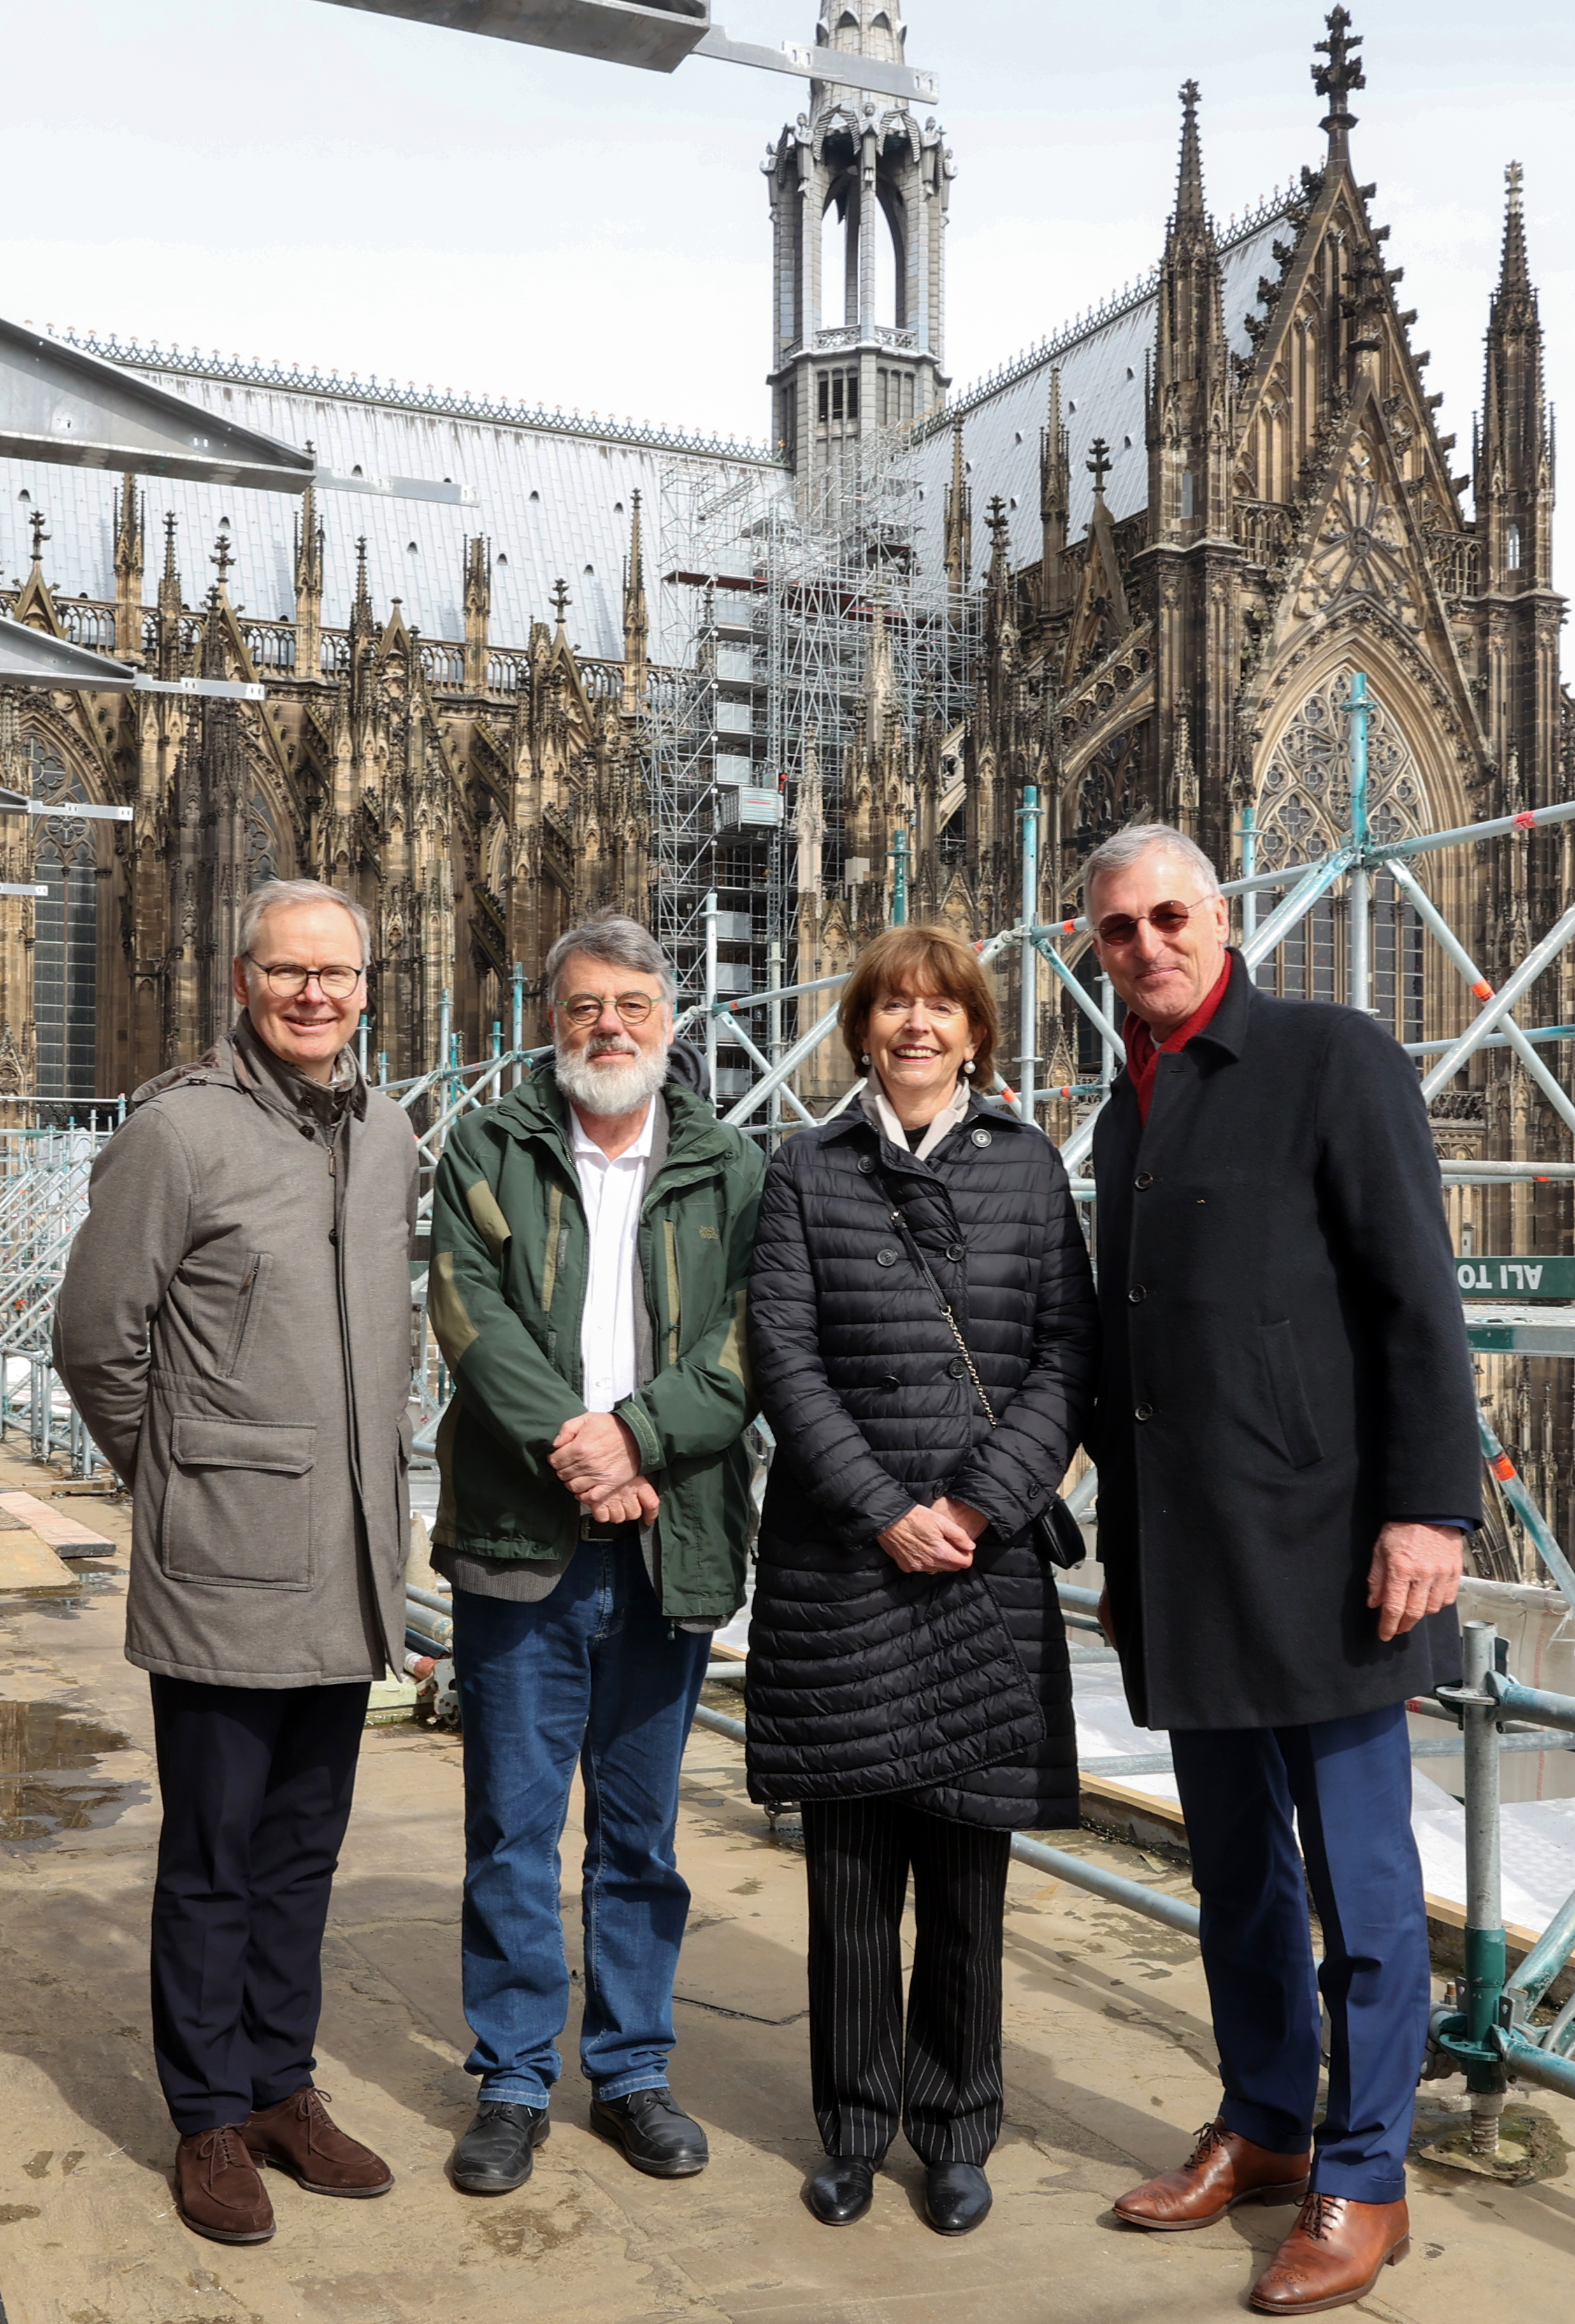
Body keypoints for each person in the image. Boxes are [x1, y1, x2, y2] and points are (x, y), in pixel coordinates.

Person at [1084, 823, 1479, 2316]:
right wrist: (1122, 1553)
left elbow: (1415, 1301)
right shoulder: (1126, 1110)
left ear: (1222, 916)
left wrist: (1430, 1512)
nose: (1148, 946)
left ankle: (1365, 2172)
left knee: (1367, 1893)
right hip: (1188, 1565)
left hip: (1332, 1560)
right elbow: (1131, 1365)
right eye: (1118, 930)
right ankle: (1262, 2121)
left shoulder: (1332, 1054)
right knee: (1238, 1874)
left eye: (1169, 916)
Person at [53, 879, 418, 2246]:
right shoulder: (179, 1133)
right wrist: (186, 1473)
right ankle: (206, 2115)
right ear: (241, 981)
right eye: (288, 974)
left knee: (304, 1852)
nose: (314, 995)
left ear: (368, 986)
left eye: (336, 974)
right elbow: (98, 1338)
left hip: (352, 1564)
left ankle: (281, 2085)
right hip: (225, 1561)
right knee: (213, 1851)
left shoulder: (385, 1134)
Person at [745, 924, 1098, 2237]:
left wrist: (981, 1501)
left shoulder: (1030, 1170)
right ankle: (853, 2127)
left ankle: (956, 2127)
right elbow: (784, 1354)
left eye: (939, 1007)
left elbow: (1070, 1356)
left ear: (975, 1032)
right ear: (860, 1027)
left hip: (981, 1571)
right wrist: (886, 1508)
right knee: (847, 1873)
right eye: (892, 1005)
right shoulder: (805, 1170)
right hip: (847, 1565)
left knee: (964, 1873)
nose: (915, 1026)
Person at [427, 912, 764, 2196]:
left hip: (666, 1532)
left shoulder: (732, 1165)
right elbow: (470, 1315)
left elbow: (749, 1344)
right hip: (526, 1532)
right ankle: (514, 2078)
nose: (608, 1026)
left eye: (631, 1004)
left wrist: (634, 1444)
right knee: (511, 1827)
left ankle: (628, 2071)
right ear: (549, 1022)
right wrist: (576, 1446)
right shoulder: (490, 1146)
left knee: (642, 1832)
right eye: (583, 1007)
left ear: (669, 1023)